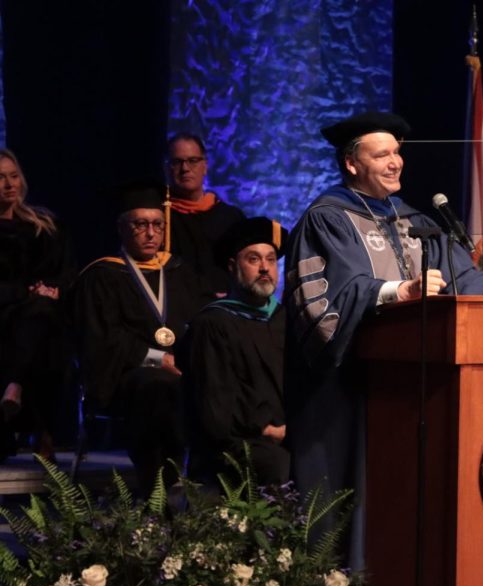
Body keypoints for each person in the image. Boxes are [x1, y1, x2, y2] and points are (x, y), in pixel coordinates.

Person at [285, 111, 483, 568]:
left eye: (397, 153)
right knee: (340, 510)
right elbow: (329, 297)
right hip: (346, 391)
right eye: (382, 155)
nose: (395, 163)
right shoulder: (327, 219)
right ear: (351, 163)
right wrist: (401, 291)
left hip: (407, 389)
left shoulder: (414, 219)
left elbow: (464, 277)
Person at [71, 182, 204, 496]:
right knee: (156, 385)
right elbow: (103, 340)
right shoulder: (103, 276)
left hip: (179, 372)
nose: (150, 233)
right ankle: (157, 485)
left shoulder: (179, 272)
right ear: (122, 228)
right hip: (125, 377)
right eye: (140, 224)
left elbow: (200, 323)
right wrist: (160, 360)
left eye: (157, 224)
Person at [180, 216, 290, 486]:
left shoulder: (285, 319)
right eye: (253, 259)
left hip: (284, 434)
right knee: (281, 465)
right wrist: (264, 429)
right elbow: (214, 406)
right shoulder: (213, 323)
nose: (265, 268)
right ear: (232, 267)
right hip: (232, 444)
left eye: (271, 259)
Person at [0, 148, 75, 462]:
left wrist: (54, 289)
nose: (9, 184)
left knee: (43, 319)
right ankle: (43, 433)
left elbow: (67, 270)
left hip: (44, 312)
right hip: (4, 310)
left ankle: (14, 387)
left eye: (14, 176)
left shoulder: (44, 223)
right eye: (0, 178)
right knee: (34, 321)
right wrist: (26, 292)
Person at [166, 132, 246, 299]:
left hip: (226, 309)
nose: (185, 168)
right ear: (167, 167)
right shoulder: (160, 220)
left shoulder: (230, 217)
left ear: (205, 166)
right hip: (178, 308)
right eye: (177, 162)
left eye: (193, 161)